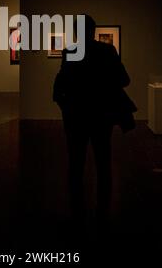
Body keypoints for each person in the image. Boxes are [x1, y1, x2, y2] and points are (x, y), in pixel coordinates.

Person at [53, 15, 136, 225]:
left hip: (76, 116)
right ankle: (104, 213)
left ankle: (76, 212)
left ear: (75, 32)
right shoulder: (107, 51)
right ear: (93, 30)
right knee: (103, 161)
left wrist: (66, 106)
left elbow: (61, 86)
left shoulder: (70, 52)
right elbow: (124, 80)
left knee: (76, 162)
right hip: (101, 115)